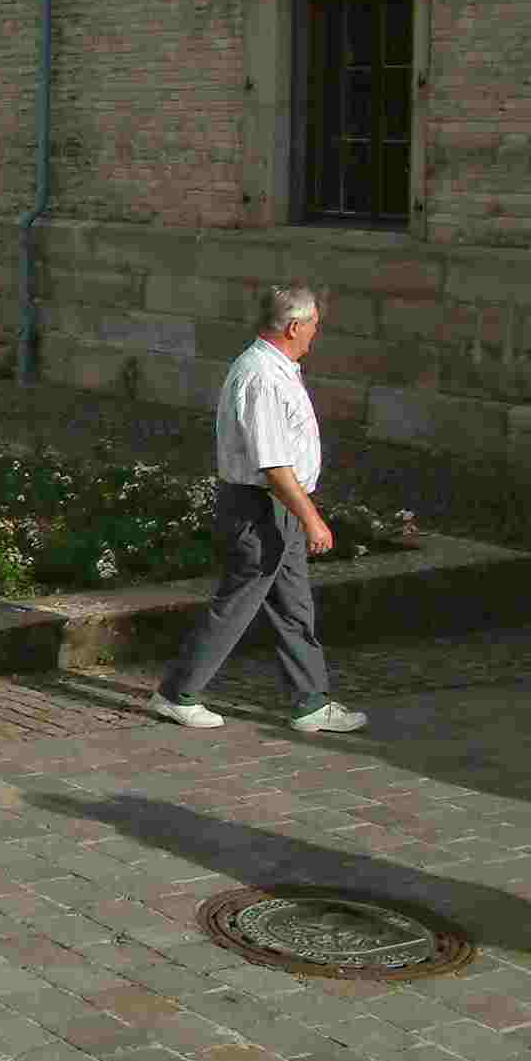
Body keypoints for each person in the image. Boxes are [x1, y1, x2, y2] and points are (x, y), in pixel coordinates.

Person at [150, 283, 366, 734]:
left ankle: (310, 702)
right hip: (260, 507)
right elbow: (273, 463)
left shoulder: (279, 368)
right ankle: (176, 693)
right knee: (239, 602)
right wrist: (312, 518)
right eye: (312, 327)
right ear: (293, 327)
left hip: (274, 506)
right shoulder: (262, 376)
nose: (314, 335)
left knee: (293, 607)